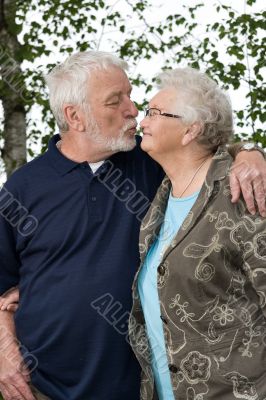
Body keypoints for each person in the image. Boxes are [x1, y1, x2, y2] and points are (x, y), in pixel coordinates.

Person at [0, 52, 265, 400]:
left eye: (131, 94)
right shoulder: (22, 188)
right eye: (116, 100)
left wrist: (250, 153)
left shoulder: (152, 161)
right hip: (42, 388)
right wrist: (5, 353)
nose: (133, 109)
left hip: (141, 386)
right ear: (74, 116)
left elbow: (204, 145)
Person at [128, 67, 266, 400]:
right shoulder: (160, 200)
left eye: (154, 113)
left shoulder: (242, 192)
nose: (141, 122)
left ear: (191, 130)